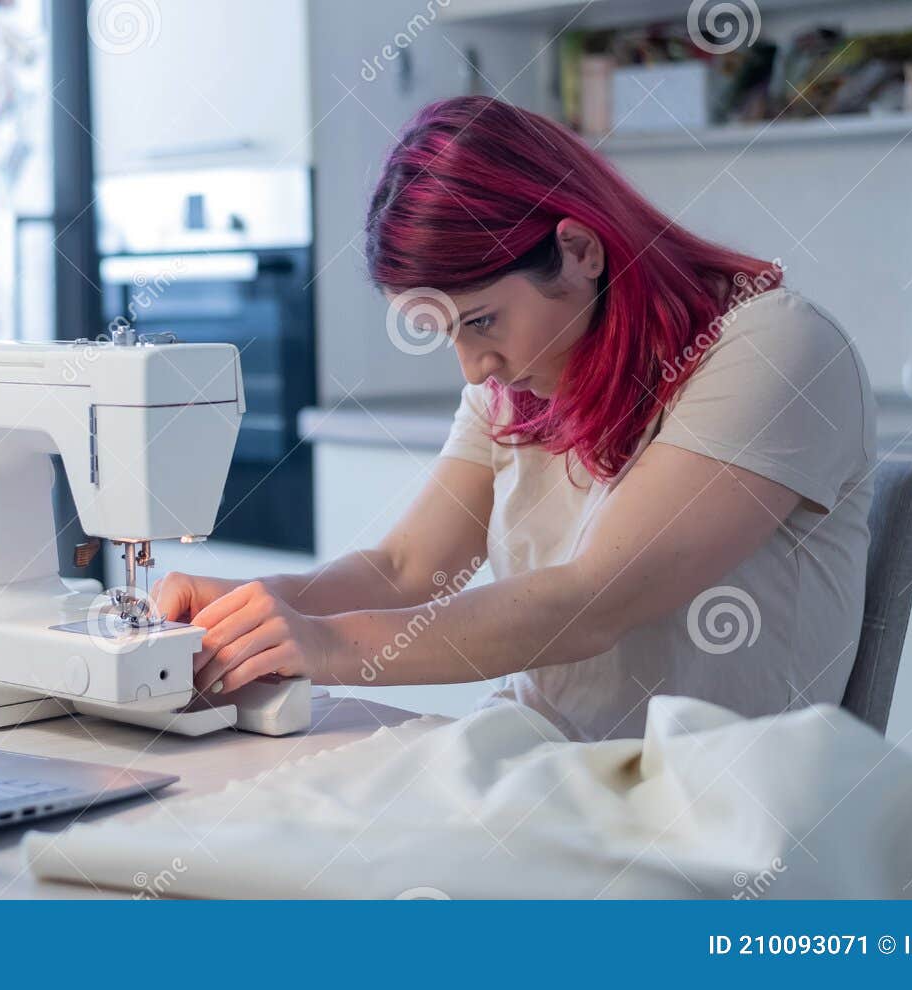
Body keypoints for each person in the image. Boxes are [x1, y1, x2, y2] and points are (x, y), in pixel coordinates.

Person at [155, 96, 875, 741]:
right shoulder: (519, 379)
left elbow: (592, 601)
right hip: (553, 773)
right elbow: (407, 569)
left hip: (716, 809)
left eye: (483, 321)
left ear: (579, 251)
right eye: (448, 334)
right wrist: (256, 612)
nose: (474, 368)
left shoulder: (770, 348)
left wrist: (327, 647)